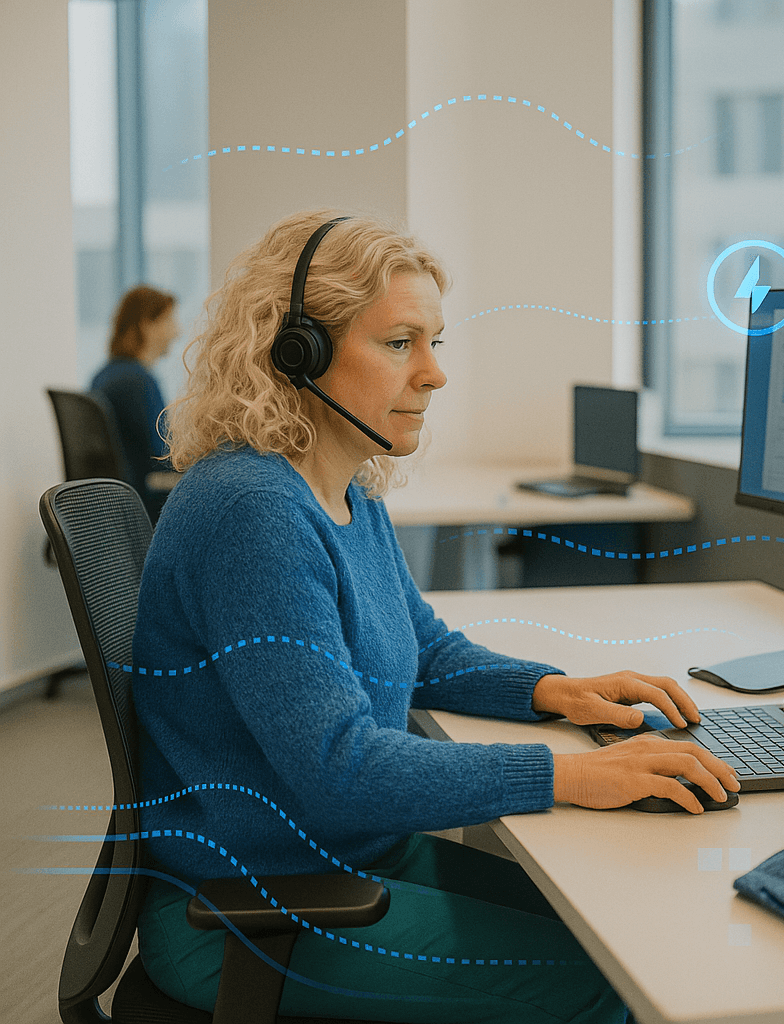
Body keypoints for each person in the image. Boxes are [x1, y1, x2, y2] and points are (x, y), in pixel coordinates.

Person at [131, 211, 740, 1023]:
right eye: (398, 343)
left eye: (435, 342)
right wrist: (574, 774)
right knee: (612, 987)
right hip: (247, 909)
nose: (433, 374)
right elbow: (338, 766)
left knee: (623, 928)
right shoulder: (253, 512)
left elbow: (424, 649)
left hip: (345, 861)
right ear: (296, 351)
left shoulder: (347, 487)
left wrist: (554, 691)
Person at [90, 284, 179, 522]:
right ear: (147, 326)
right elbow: (163, 456)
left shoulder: (105, 374)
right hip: (140, 505)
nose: (177, 332)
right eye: (169, 320)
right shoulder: (140, 382)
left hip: (114, 506)